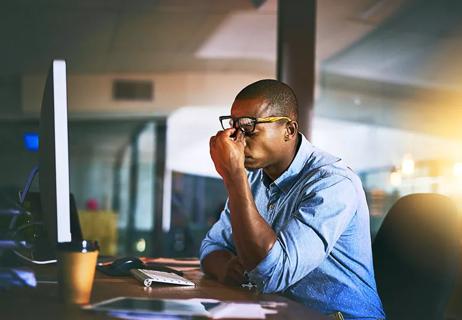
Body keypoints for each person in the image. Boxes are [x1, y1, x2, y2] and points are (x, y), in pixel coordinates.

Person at [199, 79, 385, 319]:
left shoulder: (333, 183)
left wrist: (234, 177)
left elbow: (271, 273)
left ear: (289, 130)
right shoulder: (255, 180)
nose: (237, 139)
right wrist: (226, 267)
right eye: (233, 126)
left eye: (249, 127)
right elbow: (211, 246)